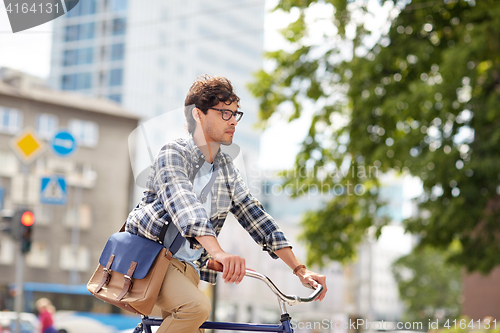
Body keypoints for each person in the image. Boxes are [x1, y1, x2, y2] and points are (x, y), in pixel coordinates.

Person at [125, 75, 327, 333]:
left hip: (190, 270)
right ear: (198, 115)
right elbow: (185, 205)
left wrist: (300, 270)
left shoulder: (225, 170)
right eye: (224, 113)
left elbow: (256, 217)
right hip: (151, 262)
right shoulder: (173, 153)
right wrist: (218, 252)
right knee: (196, 308)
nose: (232, 120)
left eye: (235, 114)